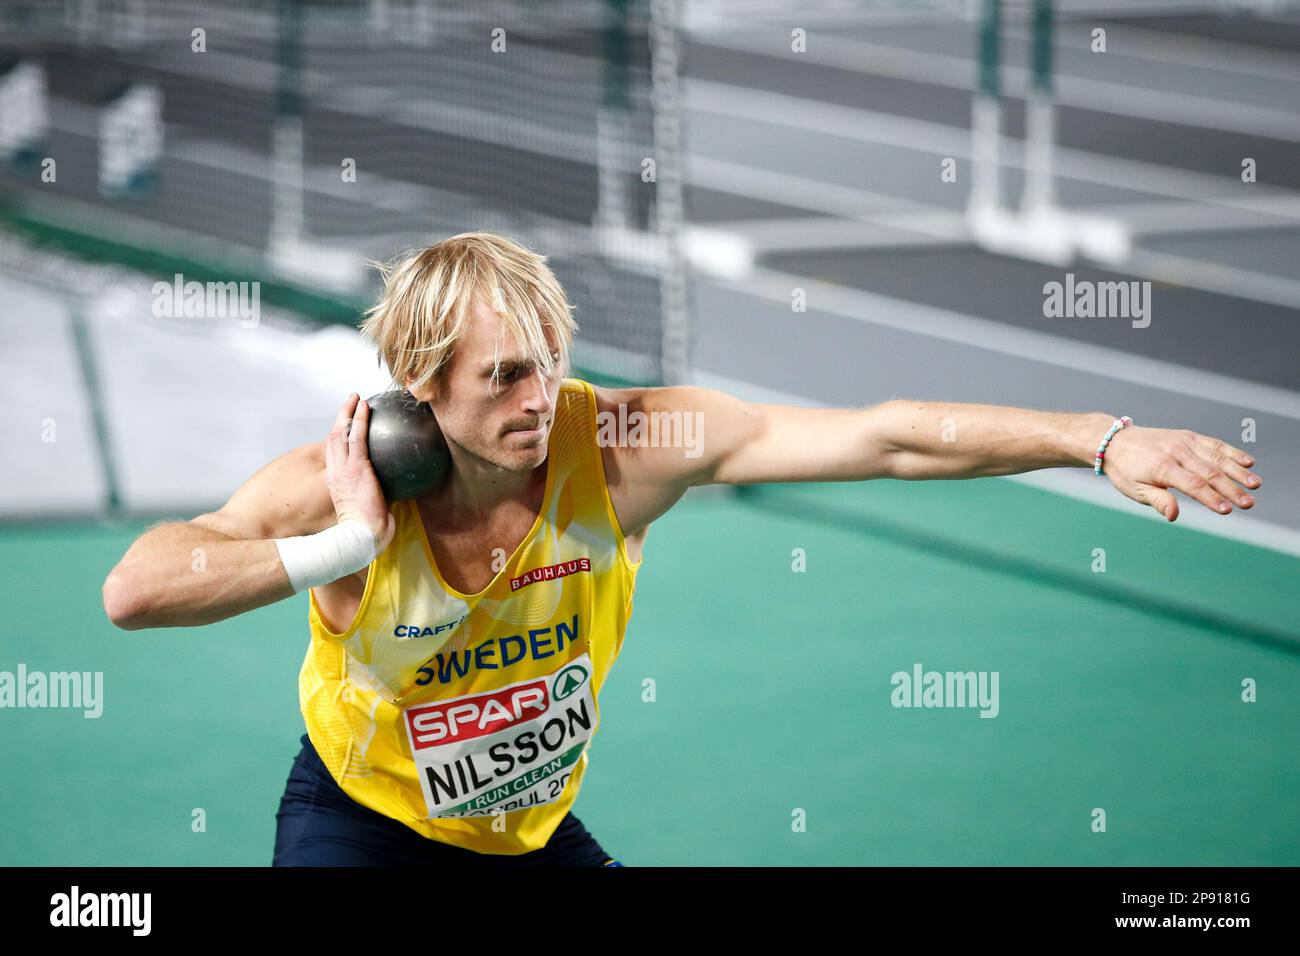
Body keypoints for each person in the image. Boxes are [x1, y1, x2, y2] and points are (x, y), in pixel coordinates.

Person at [101, 231, 1263, 866]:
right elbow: (135, 587)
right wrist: (347, 540)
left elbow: (888, 438)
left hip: (528, 833)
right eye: (503, 374)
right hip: (362, 828)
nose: (539, 394)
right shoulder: (346, 484)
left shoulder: (621, 444)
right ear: (420, 386)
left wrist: (1093, 436)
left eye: (549, 358)